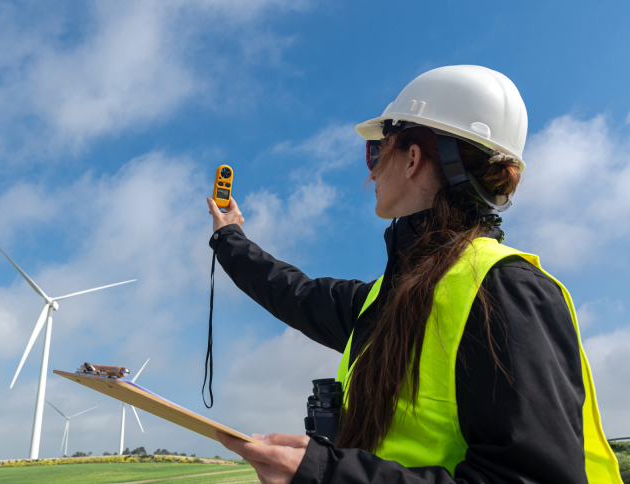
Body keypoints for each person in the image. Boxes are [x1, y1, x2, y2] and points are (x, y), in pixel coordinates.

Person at [208, 65, 622, 483]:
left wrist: (328, 474)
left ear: (412, 159)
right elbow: (292, 292)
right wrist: (229, 237)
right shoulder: (386, 300)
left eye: (376, 151)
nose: (371, 171)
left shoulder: (505, 291)